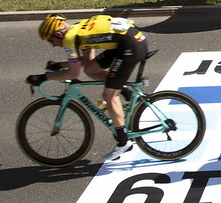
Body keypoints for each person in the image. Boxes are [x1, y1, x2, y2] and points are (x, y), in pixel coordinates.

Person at [32, 14, 151, 161]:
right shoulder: (77, 29)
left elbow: (74, 73)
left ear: (58, 33)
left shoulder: (70, 39)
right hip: (129, 41)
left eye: (51, 40)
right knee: (90, 69)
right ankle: (123, 88)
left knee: (109, 96)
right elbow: (87, 62)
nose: (53, 45)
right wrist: (61, 65)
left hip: (130, 47)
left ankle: (123, 142)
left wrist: (43, 77)